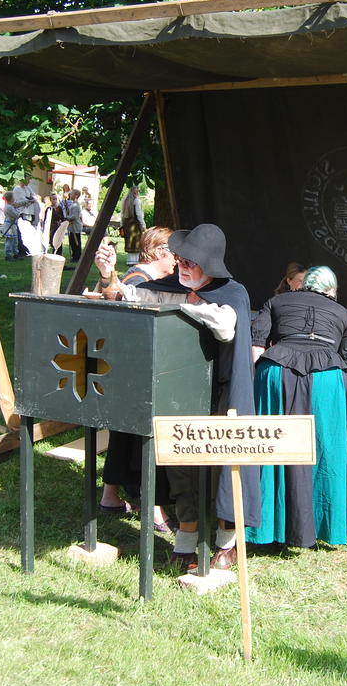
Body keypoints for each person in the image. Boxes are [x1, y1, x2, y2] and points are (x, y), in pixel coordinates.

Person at [94, 223, 259, 571]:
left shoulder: (232, 293)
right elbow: (126, 296)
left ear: (210, 264)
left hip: (224, 395)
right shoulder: (171, 287)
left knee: (224, 468)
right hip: (182, 394)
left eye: (190, 261)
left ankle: (226, 544)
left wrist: (185, 308)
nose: (182, 266)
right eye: (179, 259)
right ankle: (185, 538)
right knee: (181, 464)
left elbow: (226, 325)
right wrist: (108, 276)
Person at [247, 266, 347, 548]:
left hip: (277, 372)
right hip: (325, 379)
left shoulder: (275, 302)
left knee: (269, 445)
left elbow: (256, 348)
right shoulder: (342, 312)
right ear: (331, 291)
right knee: (326, 448)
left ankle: (267, 528)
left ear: (301, 286)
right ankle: (325, 526)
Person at [97, 227, 177, 531]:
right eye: (174, 252)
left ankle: (111, 496)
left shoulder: (141, 279)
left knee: (125, 436)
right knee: (142, 438)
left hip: (129, 371)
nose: (177, 260)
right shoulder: (137, 281)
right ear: (158, 252)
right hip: (135, 371)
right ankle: (154, 509)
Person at [120, 185, 145, 266]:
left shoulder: (125, 200)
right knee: (136, 241)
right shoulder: (137, 200)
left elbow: (122, 215)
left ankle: (130, 261)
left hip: (127, 224)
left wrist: (122, 225)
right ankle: (135, 261)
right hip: (135, 224)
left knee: (130, 241)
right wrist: (143, 225)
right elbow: (139, 214)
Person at [1, 192, 23, 260]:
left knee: (15, 241)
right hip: (9, 225)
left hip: (13, 225)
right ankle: (8, 255)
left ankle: (15, 253)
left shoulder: (10, 206)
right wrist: (19, 211)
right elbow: (16, 214)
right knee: (10, 241)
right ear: (11, 199)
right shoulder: (8, 207)